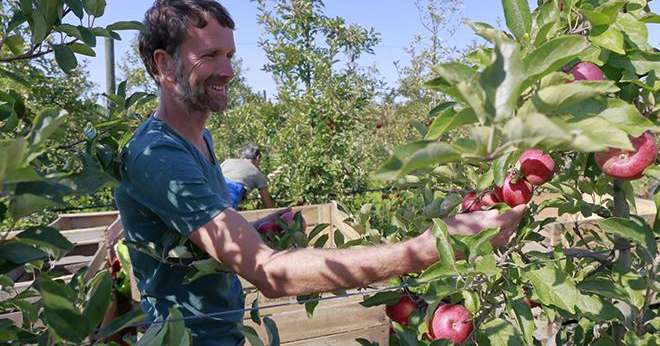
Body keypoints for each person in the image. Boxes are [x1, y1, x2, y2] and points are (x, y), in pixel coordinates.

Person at [114, 1, 526, 345]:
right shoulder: (158, 154)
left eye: (229, 56)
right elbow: (270, 273)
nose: (228, 71)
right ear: (164, 65)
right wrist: (425, 250)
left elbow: (206, 239)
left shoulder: (197, 142)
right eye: (209, 56)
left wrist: (259, 226)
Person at [221, 144, 274, 209]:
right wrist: (277, 214)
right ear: (257, 158)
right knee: (226, 213)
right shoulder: (257, 173)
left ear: (241, 156)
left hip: (215, 186)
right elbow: (266, 201)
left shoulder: (227, 162)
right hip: (232, 191)